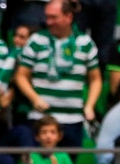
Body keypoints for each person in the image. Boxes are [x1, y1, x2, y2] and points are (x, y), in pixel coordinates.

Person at [13, 0, 101, 151]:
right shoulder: (37, 40)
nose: (48, 22)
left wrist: (90, 106)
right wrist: (34, 98)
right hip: (41, 119)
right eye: (47, 17)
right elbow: (21, 76)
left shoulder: (85, 43)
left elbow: (96, 79)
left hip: (73, 119)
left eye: (53, 17)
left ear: (68, 17)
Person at [13, 114, 78, 164]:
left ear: (60, 136)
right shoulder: (30, 156)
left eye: (53, 132)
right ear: (37, 136)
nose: (48, 136)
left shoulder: (63, 156)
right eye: (44, 132)